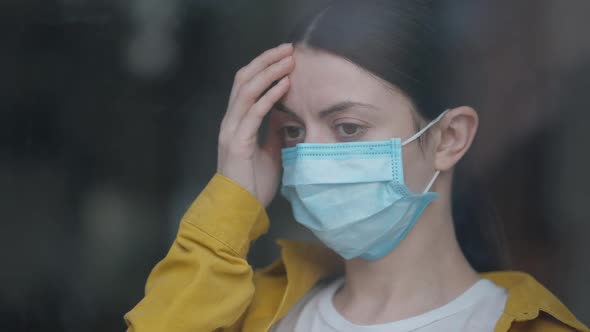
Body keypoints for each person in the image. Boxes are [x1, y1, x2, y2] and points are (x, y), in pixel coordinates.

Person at [124, 1, 589, 331]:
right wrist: (230, 202)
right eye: (293, 131)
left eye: (347, 127)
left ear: (449, 137)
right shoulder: (247, 314)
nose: (310, 158)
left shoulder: (525, 326)